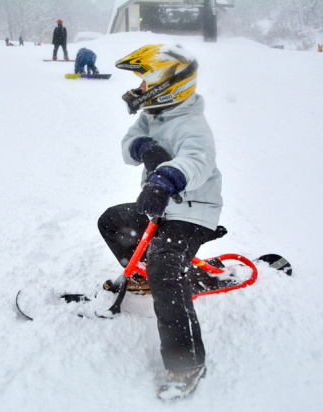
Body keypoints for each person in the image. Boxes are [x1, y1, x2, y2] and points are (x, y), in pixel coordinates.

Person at [98, 44, 222, 400]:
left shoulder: (193, 124)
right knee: (112, 221)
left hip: (192, 209)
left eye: (142, 83)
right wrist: (145, 148)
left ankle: (187, 365)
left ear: (164, 84)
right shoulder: (154, 113)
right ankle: (144, 277)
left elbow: (199, 160)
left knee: (166, 266)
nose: (138, 90)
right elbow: (128, 144)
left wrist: (166, 177)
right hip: (159, 206)